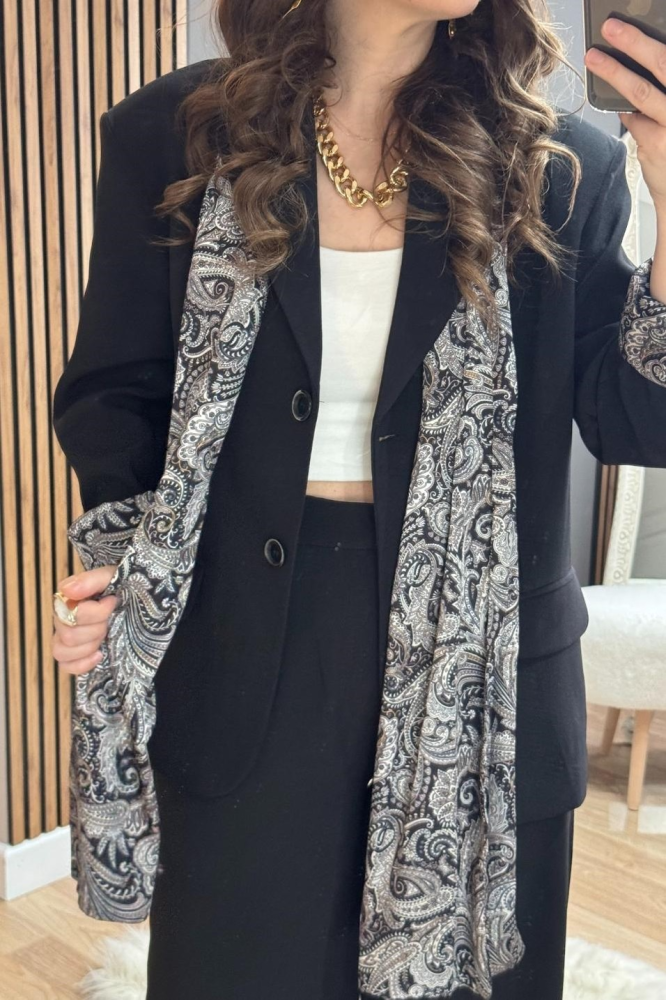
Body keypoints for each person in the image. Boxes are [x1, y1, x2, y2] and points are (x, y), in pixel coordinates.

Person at [51, 1, 666, 998]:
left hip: (483, 695)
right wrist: (128, 570)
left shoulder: (560, 169)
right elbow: (113, 396)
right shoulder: (175, 134)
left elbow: (640, 422)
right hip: (242, 655)